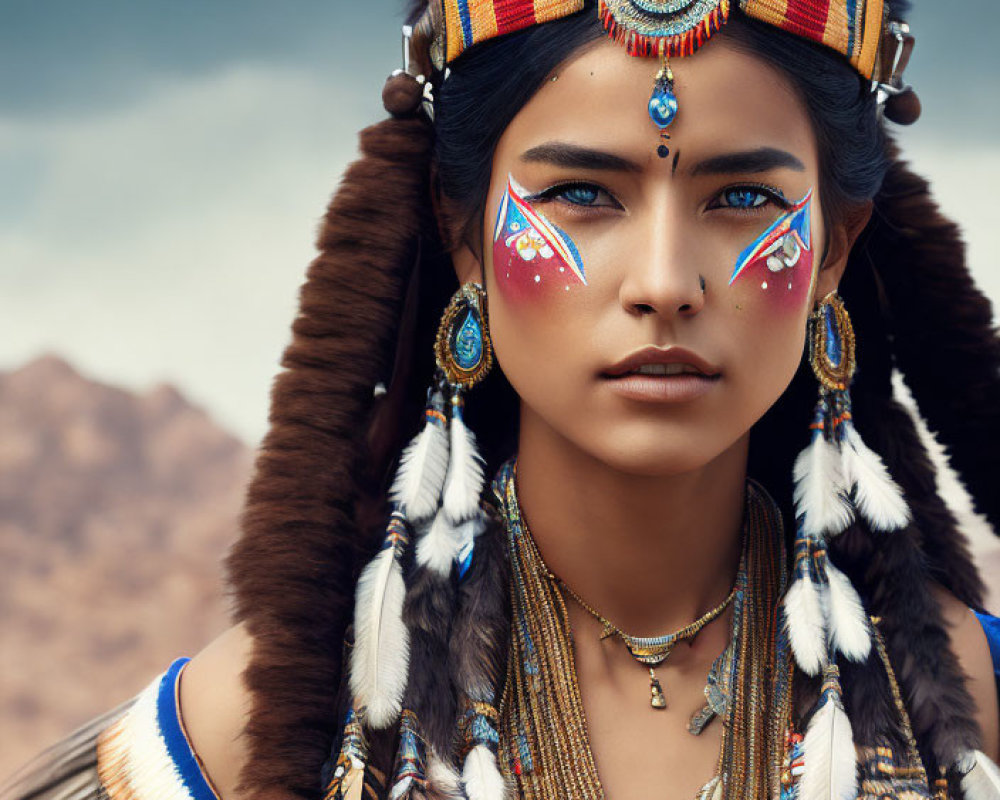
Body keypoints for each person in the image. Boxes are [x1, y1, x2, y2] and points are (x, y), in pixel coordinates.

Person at [5, 1, 1000, 799]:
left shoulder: (968, 709)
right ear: (464, 234)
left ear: (832, 249)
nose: (663, 281)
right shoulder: (267, 726)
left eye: (740, 198)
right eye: (581, 193)